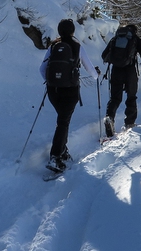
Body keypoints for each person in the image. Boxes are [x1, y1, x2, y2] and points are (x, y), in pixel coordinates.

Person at [39, 18, 99, 173]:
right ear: (73, 31)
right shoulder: (77, 46)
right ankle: (55, 156)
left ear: (59, 31)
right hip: (70, 91)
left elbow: (42, 69)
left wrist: (52, 81)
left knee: (62, 121)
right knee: (63, 122)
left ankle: (62, 150)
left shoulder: (53, 46)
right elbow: (91, 70)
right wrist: (96, 75)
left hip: (53, 91)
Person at [101, 24, 141, 137]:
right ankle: (129, 123)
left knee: (115, 98)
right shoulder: (135, 39)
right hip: (130, 71)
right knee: (131, 96)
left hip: (116, 71)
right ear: (134, 31)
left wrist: (113, 60)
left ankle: (109, 118)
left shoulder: (115, 39)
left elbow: (104, 55)